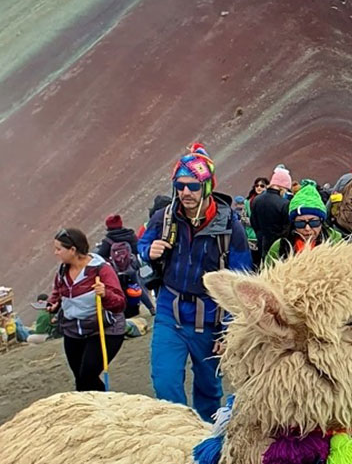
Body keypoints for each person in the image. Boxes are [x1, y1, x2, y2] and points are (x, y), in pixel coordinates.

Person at [137, 143, 252, 421]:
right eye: (180, 185)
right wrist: (147, 251)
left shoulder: (230, 228)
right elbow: (141, 244)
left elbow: (240, 282)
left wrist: (228, 332)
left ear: (208, 186)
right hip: (169, 312)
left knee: (209, 392)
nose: (185, 192)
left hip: (210, 321)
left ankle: (205, 442)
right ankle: (177, 436)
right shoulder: (163, 218)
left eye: (193, 186)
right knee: (165, 384)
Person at [49, 227, 126, 392]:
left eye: (58, 249)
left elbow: (120, 304)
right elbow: (57, 292)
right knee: (80, 378)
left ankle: (104, 409)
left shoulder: (101, 270)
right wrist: (53, 304)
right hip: (73, 330)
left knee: (87, 376)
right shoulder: (63, 271)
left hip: (103, 329)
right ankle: (95, 410)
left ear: (73, 250)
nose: (55, 253)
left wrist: (105, 294)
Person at [265, 180, 343, 267]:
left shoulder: (336, 243)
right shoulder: (279, 247)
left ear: (321, 221)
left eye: (314, 222)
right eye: (300, 223)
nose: (307, 228)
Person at [95, 214, 153, 318]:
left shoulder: (108, 240)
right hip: (131, 268)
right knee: (138, 286)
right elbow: (137, 249)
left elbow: (101, 255)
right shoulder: (130, 235)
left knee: (118, 290)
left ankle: (123, 313)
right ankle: (151, 308)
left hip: (116, 271)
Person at [250, 165, 292, 267]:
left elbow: (253, 222)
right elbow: (287, 226)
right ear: (282, 187)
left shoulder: (256, 200)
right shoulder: (284, 203)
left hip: (261, 241)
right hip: (278, 245)